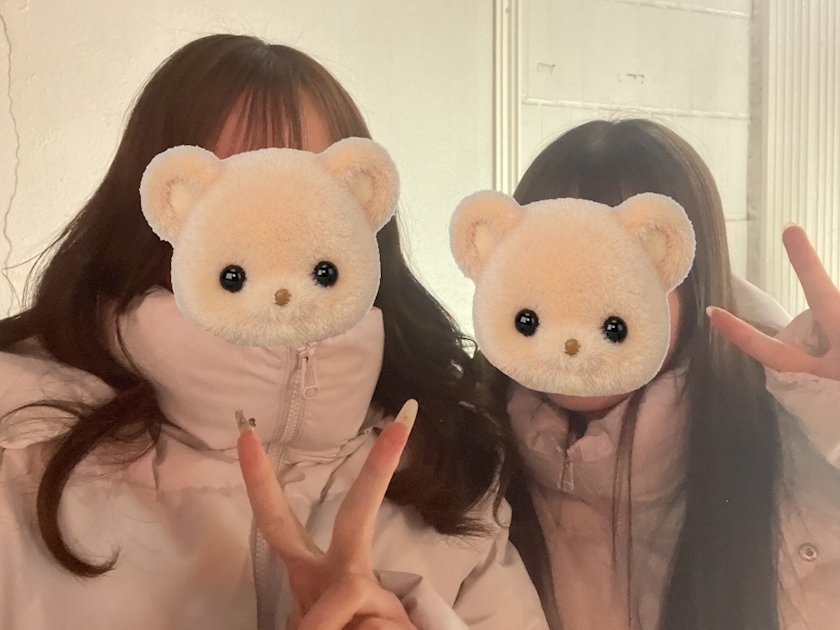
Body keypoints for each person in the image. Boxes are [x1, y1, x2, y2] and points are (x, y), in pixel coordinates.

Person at [0, 34, 547, 630]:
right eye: (239, 194)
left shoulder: (449, 455)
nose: (277, 230)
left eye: (309, 195)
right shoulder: (17, 443)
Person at [490, 118, 840, 630]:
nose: (575, 312)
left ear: (694, 277)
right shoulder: (465, 455)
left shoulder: (792, 434)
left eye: (620, 273)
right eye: (548, 270)